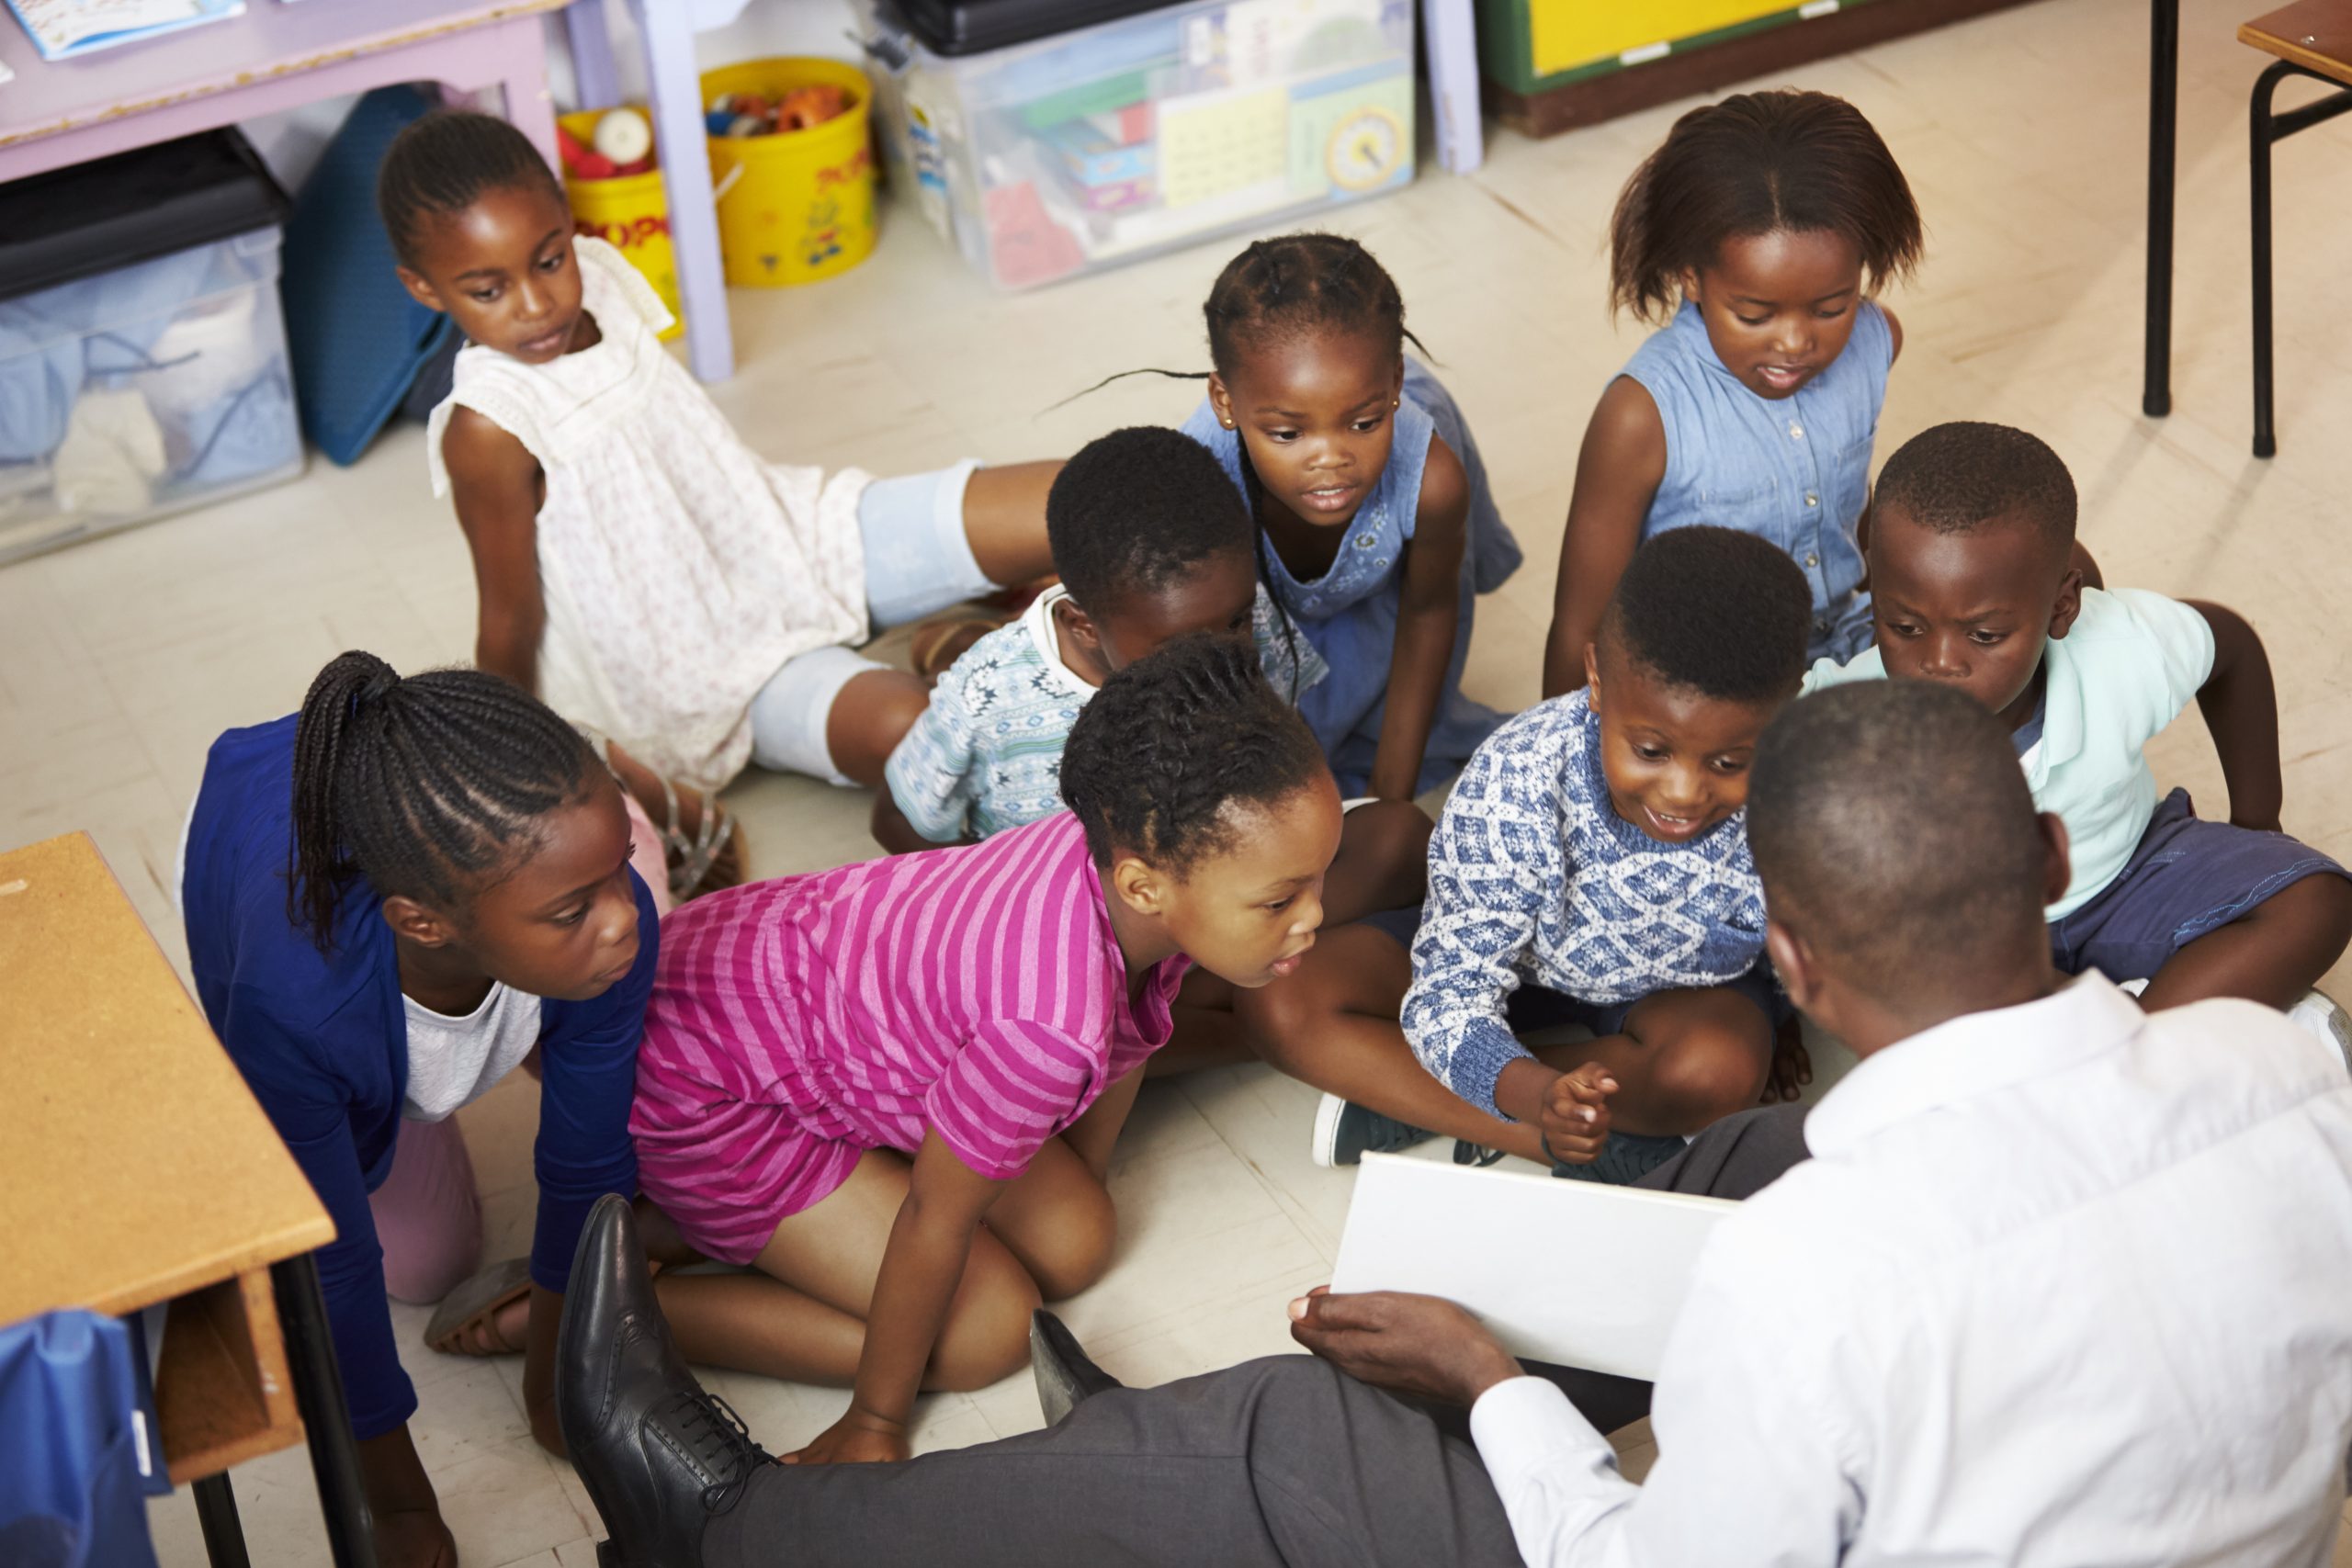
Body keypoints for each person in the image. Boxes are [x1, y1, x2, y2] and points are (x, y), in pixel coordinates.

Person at [554, 679, 2352, 1567]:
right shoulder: (2291, 1069)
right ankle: (1133, 1470)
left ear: (1787, 950)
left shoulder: (1824, 1288)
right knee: (1738, 1170)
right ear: (2047, 859)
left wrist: (1492, 1381)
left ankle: (744, 1536)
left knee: (1310, 1443)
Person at [621, 634, 1345, 1466]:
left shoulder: (1135, 870)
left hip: (799, 1015)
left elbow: (1123, 1047)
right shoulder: (1043, 1025)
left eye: (1320, 877)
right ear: (1147, 884)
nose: (1314, 914)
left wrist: (1059, 1182)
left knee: (1077, 1237)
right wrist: (876, 1421)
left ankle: (701, 1223)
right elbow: (937, 1214)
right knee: (987, 1334)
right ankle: (624, 1302)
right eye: (1281, 898)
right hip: (709, 1085)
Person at [377, 110, 1061, 886]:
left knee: (1073, 500)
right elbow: (508, 616)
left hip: (786, 539)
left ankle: (958, 633)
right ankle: (966, 648)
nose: (536, 304)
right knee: (930, 734)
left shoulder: (599, 275)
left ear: (568, 224)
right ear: (425, 288)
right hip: (700, 673)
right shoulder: (490, 430)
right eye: (488, 288)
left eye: (548, 259)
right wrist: (503, 769)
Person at [180, 651, 661, 1568]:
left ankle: (601, 876)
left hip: (449, 968)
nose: (621, 921)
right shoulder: (293, 1003)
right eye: (573, 910)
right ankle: (412, 1086)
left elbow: (588, 1161)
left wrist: (561, 1381)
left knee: (598, 941)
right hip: (290, 936)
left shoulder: (609, 916)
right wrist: (396, 1504)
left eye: (619, 874)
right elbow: (329, 1269)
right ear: (422, 921)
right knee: (422, 1262)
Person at [1272, 526, 1811, 1172]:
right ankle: (1545, 1128)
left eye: (1728, 761)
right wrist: (1535, 1094)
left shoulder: (1802, 790)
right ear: (1598, 683)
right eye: (1650, 751)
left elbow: (1798, 924)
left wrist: (1783, 1017)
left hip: (1673, 992)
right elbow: (1452, 987)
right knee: (1284, 997)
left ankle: (1402, 1092)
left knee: (1718, 1071)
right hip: (1521, 963)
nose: (1685, 792)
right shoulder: (1519, 776)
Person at [1809, 421, 2352, 1016]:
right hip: (1973, 948)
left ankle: (2127, 1047)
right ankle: (2138, 1032)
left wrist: (2258, 817)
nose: (1939, 662)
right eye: (1904, 626)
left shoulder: (2119, 649)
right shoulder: (1840, 716)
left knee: (2319, 900)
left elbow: (2234, 651)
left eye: (1984, 634)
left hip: (2128, 878)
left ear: (2062, 607)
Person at [1543, 90, 1921, 697]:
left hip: (1843, 643)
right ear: (1690, 276)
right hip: (1706, 687)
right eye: (1754, 314)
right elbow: (1580, 626)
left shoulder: (1877, 341)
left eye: (1832, 306)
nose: (1796, 342)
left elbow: (1853, 495)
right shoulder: (1642, 415)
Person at [1171, 231, 1524, 798]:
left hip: (1407, 565)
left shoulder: (1429, 478)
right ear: (1226, 403)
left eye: (1362, 424)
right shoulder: (1201, 482)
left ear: (1395, 385)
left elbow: (1430, 611)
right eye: (1288, 433)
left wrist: (1391, 796)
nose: (1331, 459)